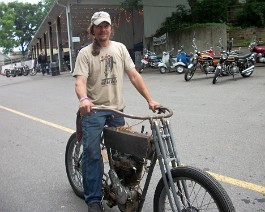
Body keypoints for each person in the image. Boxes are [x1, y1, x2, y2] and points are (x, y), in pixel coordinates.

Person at [72, 11, 160, 212]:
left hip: (116, 110)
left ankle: (121, 192)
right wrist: (84, 99)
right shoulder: (85, 53)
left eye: (106, 25)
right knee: (93, 154)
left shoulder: (119, 49)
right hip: (94, 111)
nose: (103, 29)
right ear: (93, 29)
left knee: (122, 155)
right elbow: (80, 82)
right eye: (98, 26)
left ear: (111, 28)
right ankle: (93, 200)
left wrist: (150, 99)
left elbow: (134, 75)